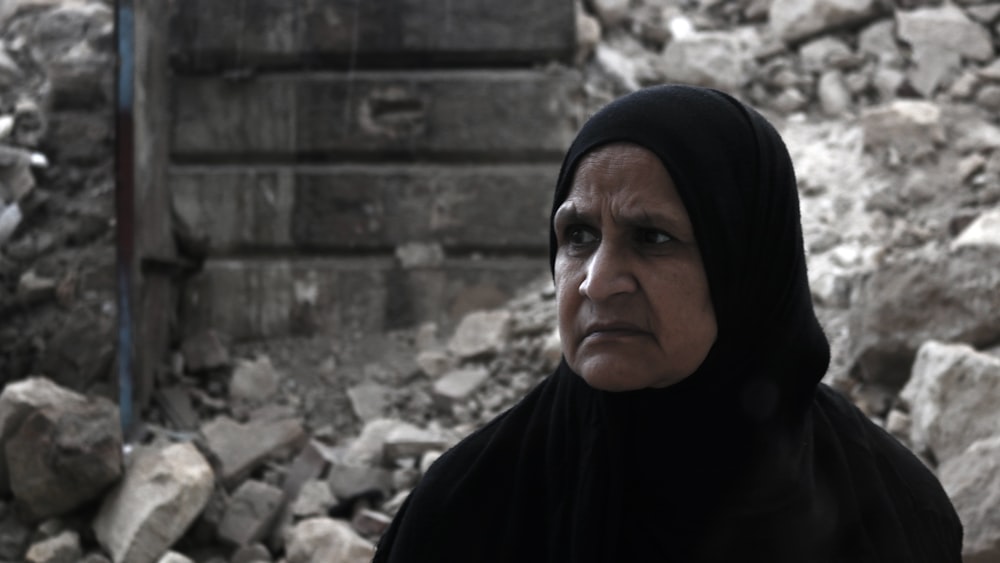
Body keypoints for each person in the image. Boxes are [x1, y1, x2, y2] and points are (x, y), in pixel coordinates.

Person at [372, 84, 963, 562]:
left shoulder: (894, 513)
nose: (597, 283)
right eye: (578, 236)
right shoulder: (464, 514)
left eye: (651, 238)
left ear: (746, 267)